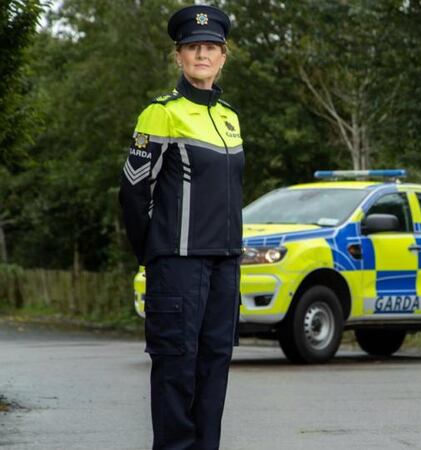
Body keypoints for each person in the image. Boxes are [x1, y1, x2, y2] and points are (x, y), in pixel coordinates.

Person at [118, 4, 244, 449]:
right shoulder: (161, 113)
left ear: (223, 56)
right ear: (179, 57)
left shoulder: (230, 117)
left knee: (214, 369)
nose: (202, 55)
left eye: (211, 47)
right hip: (178, 266)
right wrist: (154, 254)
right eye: (193, 48)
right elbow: (134, 194)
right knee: (177, 371)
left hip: (225, 266)